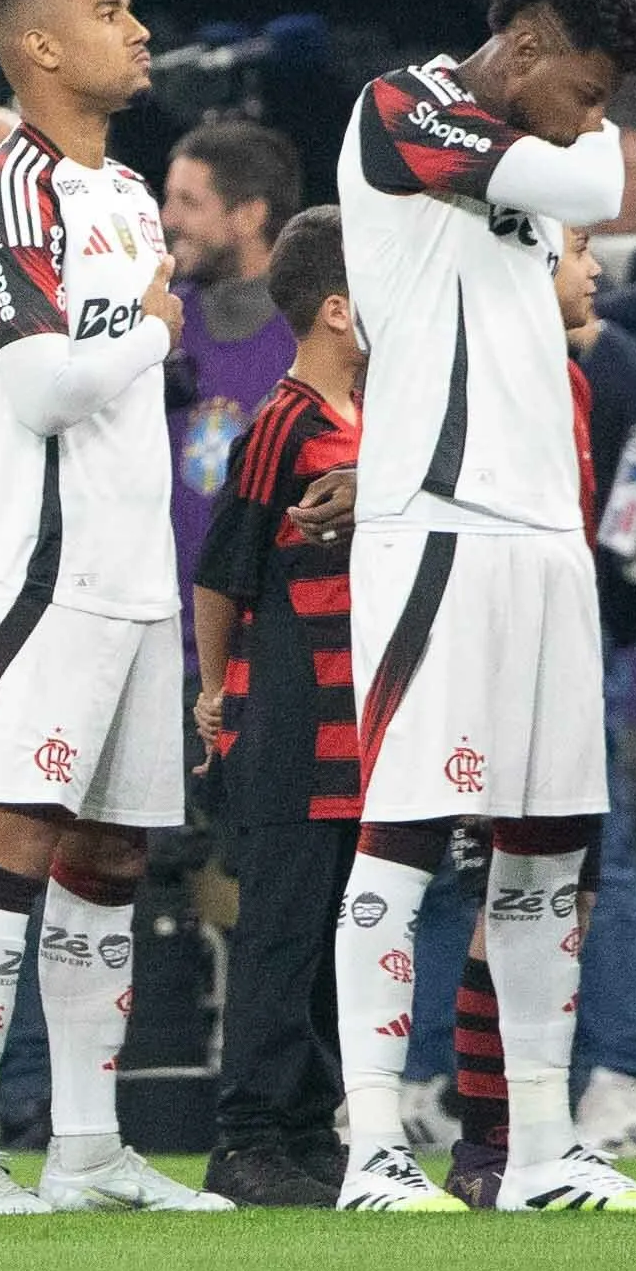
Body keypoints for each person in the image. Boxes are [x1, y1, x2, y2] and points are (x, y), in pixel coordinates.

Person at [328, 0, 636, 1215]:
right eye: (582, 87)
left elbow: (594, 175)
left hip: (543, 532)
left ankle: (533, 1149)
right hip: (437, 519)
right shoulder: (398, 106)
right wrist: (575, 148)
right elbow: (594, 174)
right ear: (520, 50)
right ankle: (374, 1147)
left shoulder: (533, 144)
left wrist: (575, 142)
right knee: (408, 835)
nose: (596, 119)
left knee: (550, 850)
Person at [0, 0, 220, 1215]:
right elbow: (38, 386)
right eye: (108, 14)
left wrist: (134, 336)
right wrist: (150, 330)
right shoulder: (7, 190)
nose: (138, 29)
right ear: (38, 49)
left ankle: (87, 1151)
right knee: (12, 842)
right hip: (39, 571)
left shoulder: (133, 194)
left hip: (134, 572)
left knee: (107, 855)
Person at [192, 206, 359, 1206]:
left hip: (355, 724)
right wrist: (217, 695)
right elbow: (222, 572)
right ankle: (245, 1136)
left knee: (339, 931)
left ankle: (310, 1130)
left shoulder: (373, 421)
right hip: (289, 714)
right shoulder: (283, 423)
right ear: (337, 309)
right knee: (282, 929)